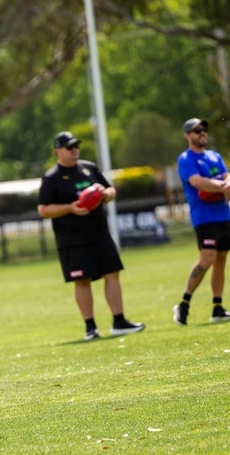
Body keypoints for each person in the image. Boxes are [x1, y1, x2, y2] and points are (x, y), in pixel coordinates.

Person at [37, 131, 145, 341]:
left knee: (112, 273)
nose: (74, 150)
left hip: (99, 232)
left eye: (76, 146)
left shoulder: (89, 168)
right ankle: (90, 327)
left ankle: (119, 321)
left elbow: (111, 190)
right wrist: (70, 207)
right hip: (72, 239)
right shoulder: (52, 178)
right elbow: (43, 209)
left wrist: (103, 195)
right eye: (69, 147)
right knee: (82, 280)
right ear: (57, 151)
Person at [172, 118, 230, 325]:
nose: (202, 133)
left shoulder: (214, 156)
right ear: (187, 136)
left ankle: (217, 307)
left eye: (204, 129)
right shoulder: (186, 158)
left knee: (221, 260)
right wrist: (222, 186)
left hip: (223, 215)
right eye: (196, 130)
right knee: (207, 258)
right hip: (204, 218)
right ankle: (184, 303)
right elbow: (197, 182)